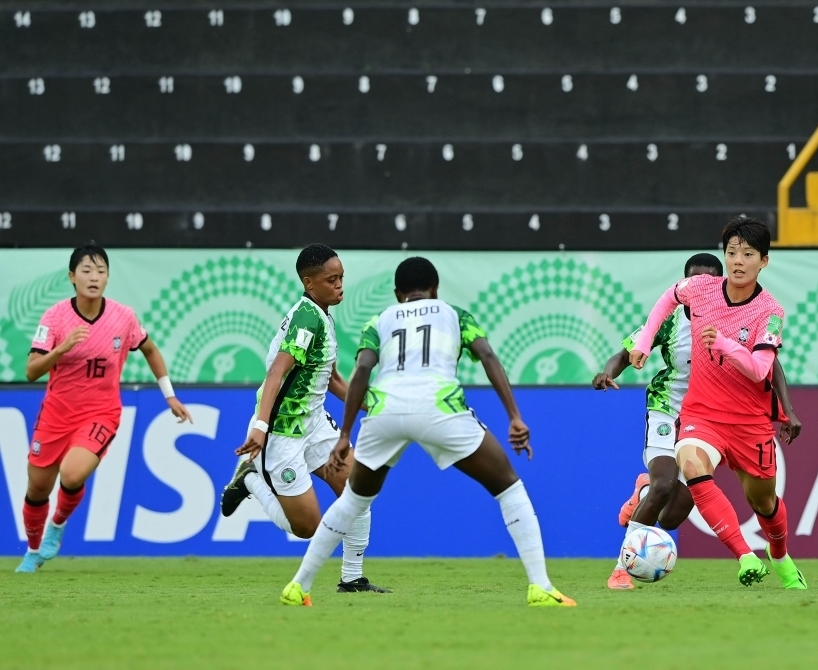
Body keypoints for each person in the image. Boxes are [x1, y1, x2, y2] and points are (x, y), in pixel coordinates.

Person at [279, 256, 575, 607]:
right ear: (435, 290)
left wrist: (345, 434)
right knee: (508, 486)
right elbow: (488, 356)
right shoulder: (454, 314)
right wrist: (514, 416)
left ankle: (299, 586)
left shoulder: (380, 319)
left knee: (353, 501)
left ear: (396, 293)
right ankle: (540, 587)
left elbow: (361, 371)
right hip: (440, 409)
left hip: (385, 412)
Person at [597, 253, 801, 590]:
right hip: (669, 410)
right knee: (664, 485)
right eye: (693, 282)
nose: (698, 289)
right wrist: (608, 372)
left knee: (672, 516)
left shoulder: (733, 317)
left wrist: (787, 408)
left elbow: (769, 362)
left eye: (707, 281)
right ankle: (622, 570)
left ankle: (642, 490)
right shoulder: (670, 320)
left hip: (711, 415)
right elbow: (627, 350)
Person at [220, 243, 388, 593]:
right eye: (332, 279)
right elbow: (276, 374)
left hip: (313, 424)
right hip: (283, 433)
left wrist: (371, 403)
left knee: (358, 488)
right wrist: (261, 427)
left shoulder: (322, 313)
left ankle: (352, 578)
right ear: (309, 283)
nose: (340, 284)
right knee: (307, 527)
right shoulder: (307, 318)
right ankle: (250, 479)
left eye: (342, 277)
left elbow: (333, 379)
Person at [16, 243, 193, 573]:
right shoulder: (54, 317)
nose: (93, 277)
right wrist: (62, 350)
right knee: (37, 487)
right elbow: (31, 370)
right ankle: (32, 550)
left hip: (101, 413)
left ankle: (57, 524)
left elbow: (150, 350)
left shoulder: (123, 317)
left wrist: (169, 395)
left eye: (100, 271)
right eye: (86, 270)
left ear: (108, 278)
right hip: (56, 414)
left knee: (71, 473)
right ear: (72, 277)